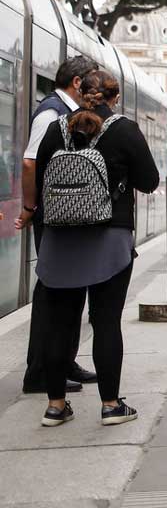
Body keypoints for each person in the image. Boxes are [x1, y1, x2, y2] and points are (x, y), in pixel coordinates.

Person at [32, 69, 159, 426]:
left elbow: (40, 175)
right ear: (113, 97)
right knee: (106, 322)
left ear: (80, 92)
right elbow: (150, 181)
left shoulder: (56, 129)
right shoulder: (123, 130)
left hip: (59, 240)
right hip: (109, 239)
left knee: (58, 323)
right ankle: (110, 405)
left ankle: (55, 406)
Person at [18, 55, 98, 395]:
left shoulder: (67, 113)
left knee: (70, 291)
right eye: (91, 83)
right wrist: (29, 207)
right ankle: (39, 372)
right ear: (78, 83)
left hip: (64, 215)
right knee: (51, 293)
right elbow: (29, 161)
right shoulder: (51, 113)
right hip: (52, 216)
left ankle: (65, 360)